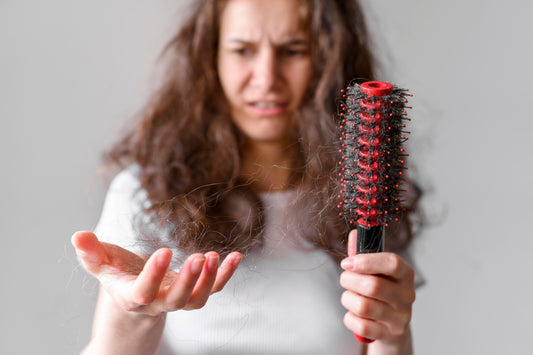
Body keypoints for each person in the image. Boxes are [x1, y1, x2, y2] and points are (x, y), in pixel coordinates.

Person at [72, 0, 422, 354]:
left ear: (329, 58)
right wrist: (135, 314)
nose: (267, 78)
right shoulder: (145, 195)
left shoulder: (369, 196)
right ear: (211, 58)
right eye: (242, 50)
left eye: (293, 50)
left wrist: (392, 334)